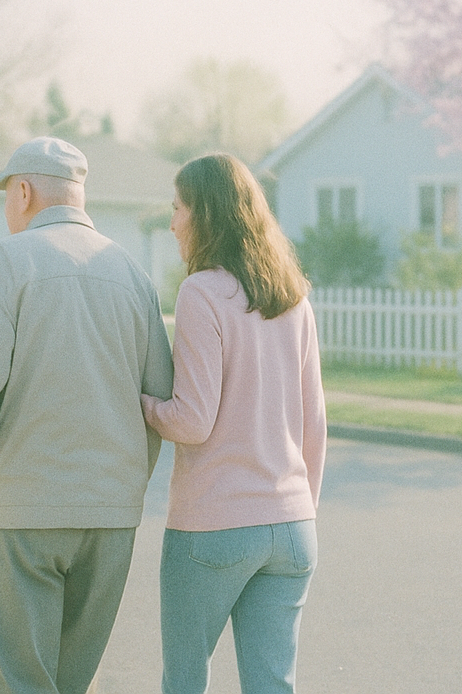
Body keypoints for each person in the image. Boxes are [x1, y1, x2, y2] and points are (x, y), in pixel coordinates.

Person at [0, 136, 174, 694]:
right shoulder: (133, 276)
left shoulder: (4, 264)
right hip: (109, 513)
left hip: (24, 511)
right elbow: (158, 403)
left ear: (23, 191)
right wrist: (119, 484)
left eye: (7, 193)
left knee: (26, 684)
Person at [141, 153, 326, 694]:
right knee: (273, 686)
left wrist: (142, 403)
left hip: (213, 528)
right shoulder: (294, 299)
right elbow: (315, 423)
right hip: (293, 527)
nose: (172, 221)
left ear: (207, 214)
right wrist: (298, 512)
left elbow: (192, 421)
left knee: (184, 683)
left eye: (178, 208)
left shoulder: (201, 293)